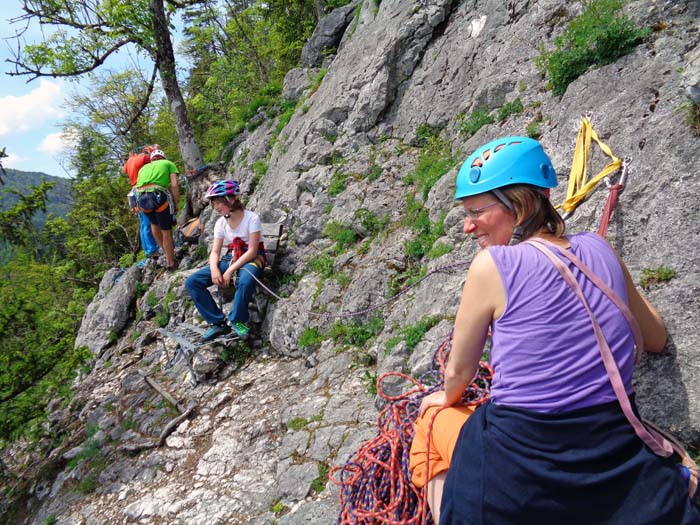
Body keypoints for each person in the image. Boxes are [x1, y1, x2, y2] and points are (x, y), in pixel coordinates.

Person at [415, 137, 700, 524]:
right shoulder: (600, 249)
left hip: (520, 461)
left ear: (521, 205)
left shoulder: (491, 265)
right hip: (609, 450)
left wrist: (441, 399)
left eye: (477, 211)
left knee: (432, 424)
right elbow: (656, 338)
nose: (468, 226)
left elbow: (459, 374)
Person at [185, 180, 266, 342]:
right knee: (193, 282)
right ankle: (218, 323)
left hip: (253, 257)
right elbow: (215, 251)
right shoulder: (221, 223)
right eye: (214, 202)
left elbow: (252, 251)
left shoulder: (252, 218)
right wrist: (214, 268)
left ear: (231, 199)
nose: (216, 207)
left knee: (245, 280)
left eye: (219, 202)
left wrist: (229, 271)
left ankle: (238, 320)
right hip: (231, 257)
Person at [136, 149, 180, 271]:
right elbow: (174, 184)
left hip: (142, 198)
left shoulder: (143, 168)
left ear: (152, 159)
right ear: (163, 157)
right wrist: (176, 202)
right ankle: (171, 262)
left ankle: (166, 252)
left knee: (154, 224)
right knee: (166, 231)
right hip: (158, 195)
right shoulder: (168, 163)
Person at [123, 146, 159, 261]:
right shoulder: (140, 159)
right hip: (143, 190)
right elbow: (155, 160)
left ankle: (148, 249)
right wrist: (154, 150)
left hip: (135, 191)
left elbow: (124, 171)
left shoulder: (129, 161)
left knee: (143, 223)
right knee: (148, 222)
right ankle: (152, 250)